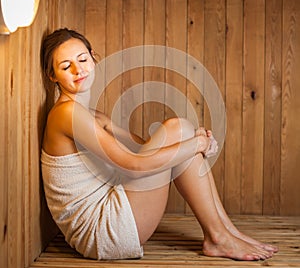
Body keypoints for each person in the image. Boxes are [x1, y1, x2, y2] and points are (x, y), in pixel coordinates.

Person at [40, 28, 277, 261]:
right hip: (102, 232)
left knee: (181, 132)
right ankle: (218, 236)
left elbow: (144, 148)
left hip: (112, 215)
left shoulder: (93, 115)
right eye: (65, 66)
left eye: (82, 59)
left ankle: (227, 232)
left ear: (93, 57)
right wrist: (196, 144)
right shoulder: (67, 113)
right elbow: (135, 165)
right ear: (53, 76)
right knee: (179, 131)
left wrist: (196, 140)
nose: (78, 69)